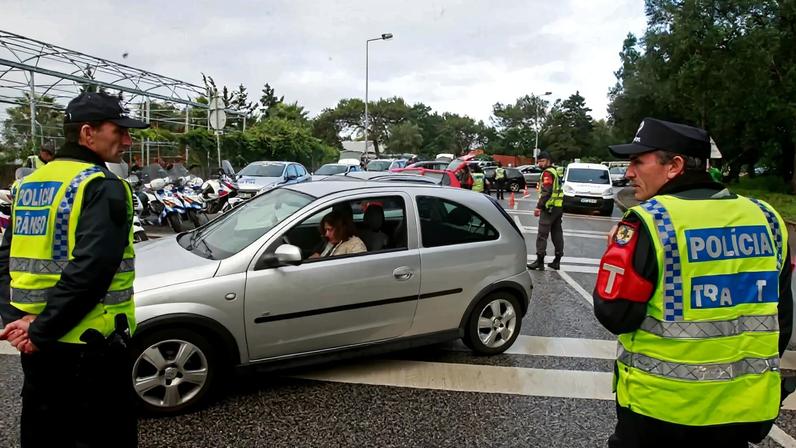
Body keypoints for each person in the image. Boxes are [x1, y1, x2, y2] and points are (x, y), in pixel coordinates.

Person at [593, 117, 793, 448]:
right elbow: (781, 318)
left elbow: (616, 315)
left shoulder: (650, 222)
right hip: (743, 410)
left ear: (675, 166)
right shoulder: (767, 218)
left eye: (638, 161)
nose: (629, 172)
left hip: (660, 410)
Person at [0, 92, 148, 448]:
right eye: (120, 131)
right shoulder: (104, 186)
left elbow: (6, 258)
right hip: (90, 347)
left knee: (45, 430)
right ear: (87, 133)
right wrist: (39, 331)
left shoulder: (29, 184)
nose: (127, 141)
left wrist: (18, 323)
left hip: (38, 346)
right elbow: (92, 270)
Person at [528, 151, 564, 270]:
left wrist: (539, 206)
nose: (539, 164)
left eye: (542, 161)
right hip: (558, 207)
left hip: (549, 208)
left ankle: (540, 261)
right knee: (557, 233)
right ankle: (557, 260)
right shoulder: (555, 171)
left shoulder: (547, 173)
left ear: (548, 161)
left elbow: (546, 192)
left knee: (542, 235)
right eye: (538, 161)